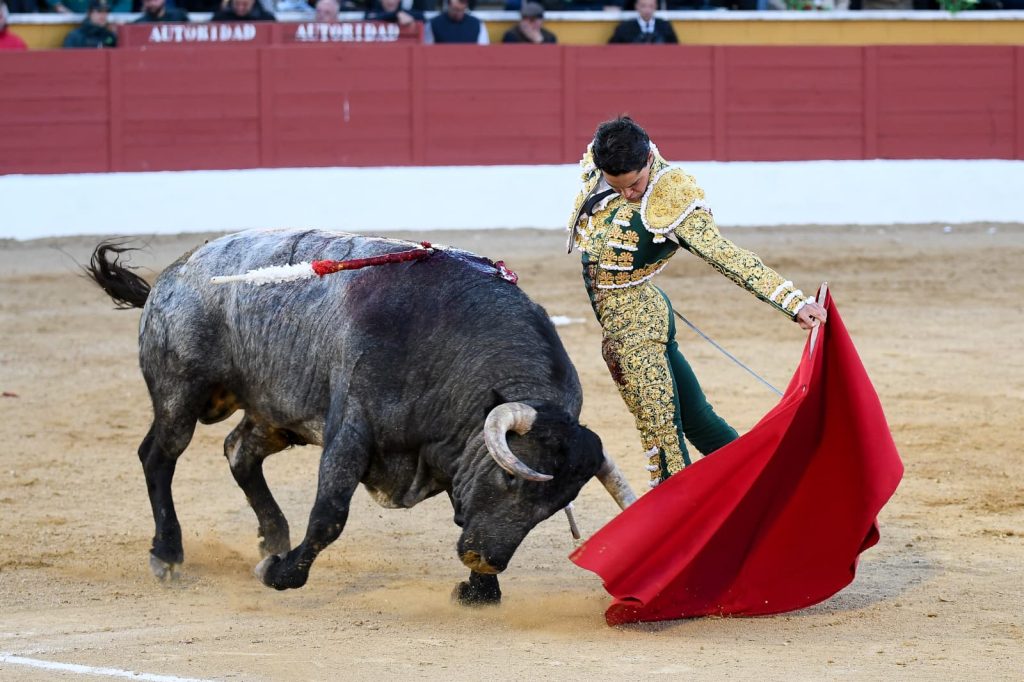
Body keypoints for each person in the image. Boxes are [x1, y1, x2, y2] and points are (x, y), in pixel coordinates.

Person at [568, 116, 827, 488]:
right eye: (617, 186)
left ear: (649, 158)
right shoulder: (607, 162)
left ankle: (720, 509)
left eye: (635, 184)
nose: (628, 195)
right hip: (640, 315)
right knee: (697, 420)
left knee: (664, 445)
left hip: (638, 330)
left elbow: (725, 255)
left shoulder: (672, 197)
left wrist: (793, 302)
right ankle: (771, 487)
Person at [608, 0, 677, 44]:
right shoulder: (625, 28)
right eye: (643, 6)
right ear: (636, 6)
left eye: (651, 6)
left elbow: (675, 47)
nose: (647, 10)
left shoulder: (665, 26)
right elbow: (613, 48)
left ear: (656, 6)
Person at [423, 0, 487, 44]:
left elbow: (484, 50)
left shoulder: (477, 24)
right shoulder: (434, 23)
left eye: (461, 10)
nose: (458, 13)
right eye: (455, 9)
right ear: (449, 5)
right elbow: (427, 49)